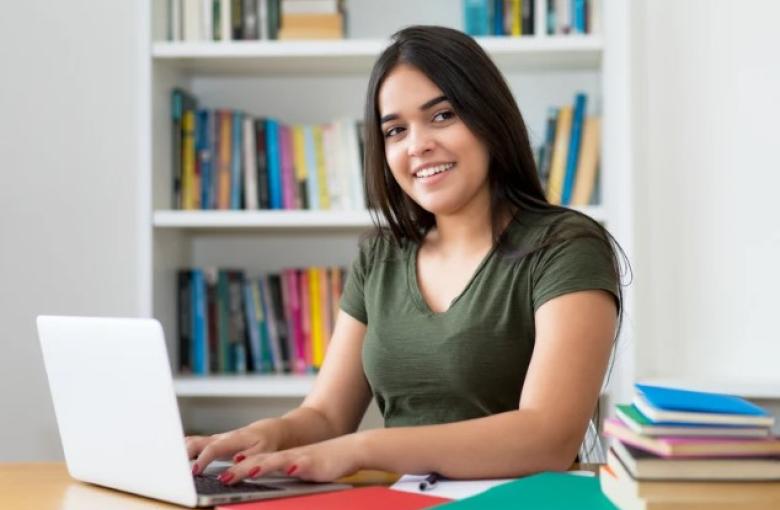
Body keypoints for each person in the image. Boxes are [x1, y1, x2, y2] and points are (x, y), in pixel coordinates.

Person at [187, 25, 627, 485]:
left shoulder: (565, 245)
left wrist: (364, 448)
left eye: (442, 116)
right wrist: (267, 434)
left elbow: (547, 438)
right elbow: (325, 416)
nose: (417, 145)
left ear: (490, 118)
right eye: (396, 130)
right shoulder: (379, 258)